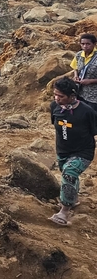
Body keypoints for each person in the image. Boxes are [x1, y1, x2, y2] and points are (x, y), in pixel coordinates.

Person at [49, 77, 97, 226]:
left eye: (61, 96)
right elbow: (56, 124)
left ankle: (64, 212)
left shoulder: (87, 111)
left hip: (83, 151)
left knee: (69, 173)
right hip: (63, 151)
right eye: (55, 95)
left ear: (72, 96)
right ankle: (73, 199)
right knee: (67, 173)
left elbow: (93, 131)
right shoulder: (54, 107)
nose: (57, 99)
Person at [72, 33, 97, 109]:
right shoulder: (79, 55)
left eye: (88, 44)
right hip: (80, 91)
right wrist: (76, 75)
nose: (85, 46)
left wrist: (91, 81)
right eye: (82, 44)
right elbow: (75, 67)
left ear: (94, 44)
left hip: (94, 96)